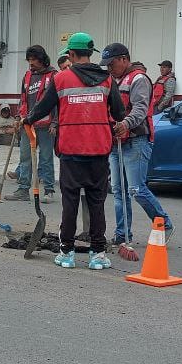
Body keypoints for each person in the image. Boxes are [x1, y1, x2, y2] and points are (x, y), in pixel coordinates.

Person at [23, 32, 125, 270]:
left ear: (70, 53)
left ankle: (66, 253)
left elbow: (42, 108)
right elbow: (119, 114)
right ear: (91, 53)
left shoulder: (61, 80)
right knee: (96, 203)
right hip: (99, 150)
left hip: (71, 150)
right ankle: (98, 254)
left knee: (70, 203)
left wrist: (27, 119)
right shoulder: (107, 79)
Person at [101, 43, 174, 257]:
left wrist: (125, 123)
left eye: (111, 64)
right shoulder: (112, 80)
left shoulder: (139, 79)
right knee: (118, 191)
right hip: (116, 142)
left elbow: (142, 108)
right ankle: (122, 235)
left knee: (136, 189)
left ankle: (164, 222)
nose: (109, 68)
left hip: (137, 140)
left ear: (124, 59)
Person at [9, 45, 57, 202]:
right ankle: (23, 189)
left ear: (42, 59)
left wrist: (55, 123)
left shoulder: (54, 76)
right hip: (27, 124)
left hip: (46, 125)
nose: (31, 63)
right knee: (25, 158)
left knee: (46, 158)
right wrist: (18, 118)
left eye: (34, 59)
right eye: (29, 60)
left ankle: (48, 190)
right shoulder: (28, 76)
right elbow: (23, 99)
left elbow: (58, 102)